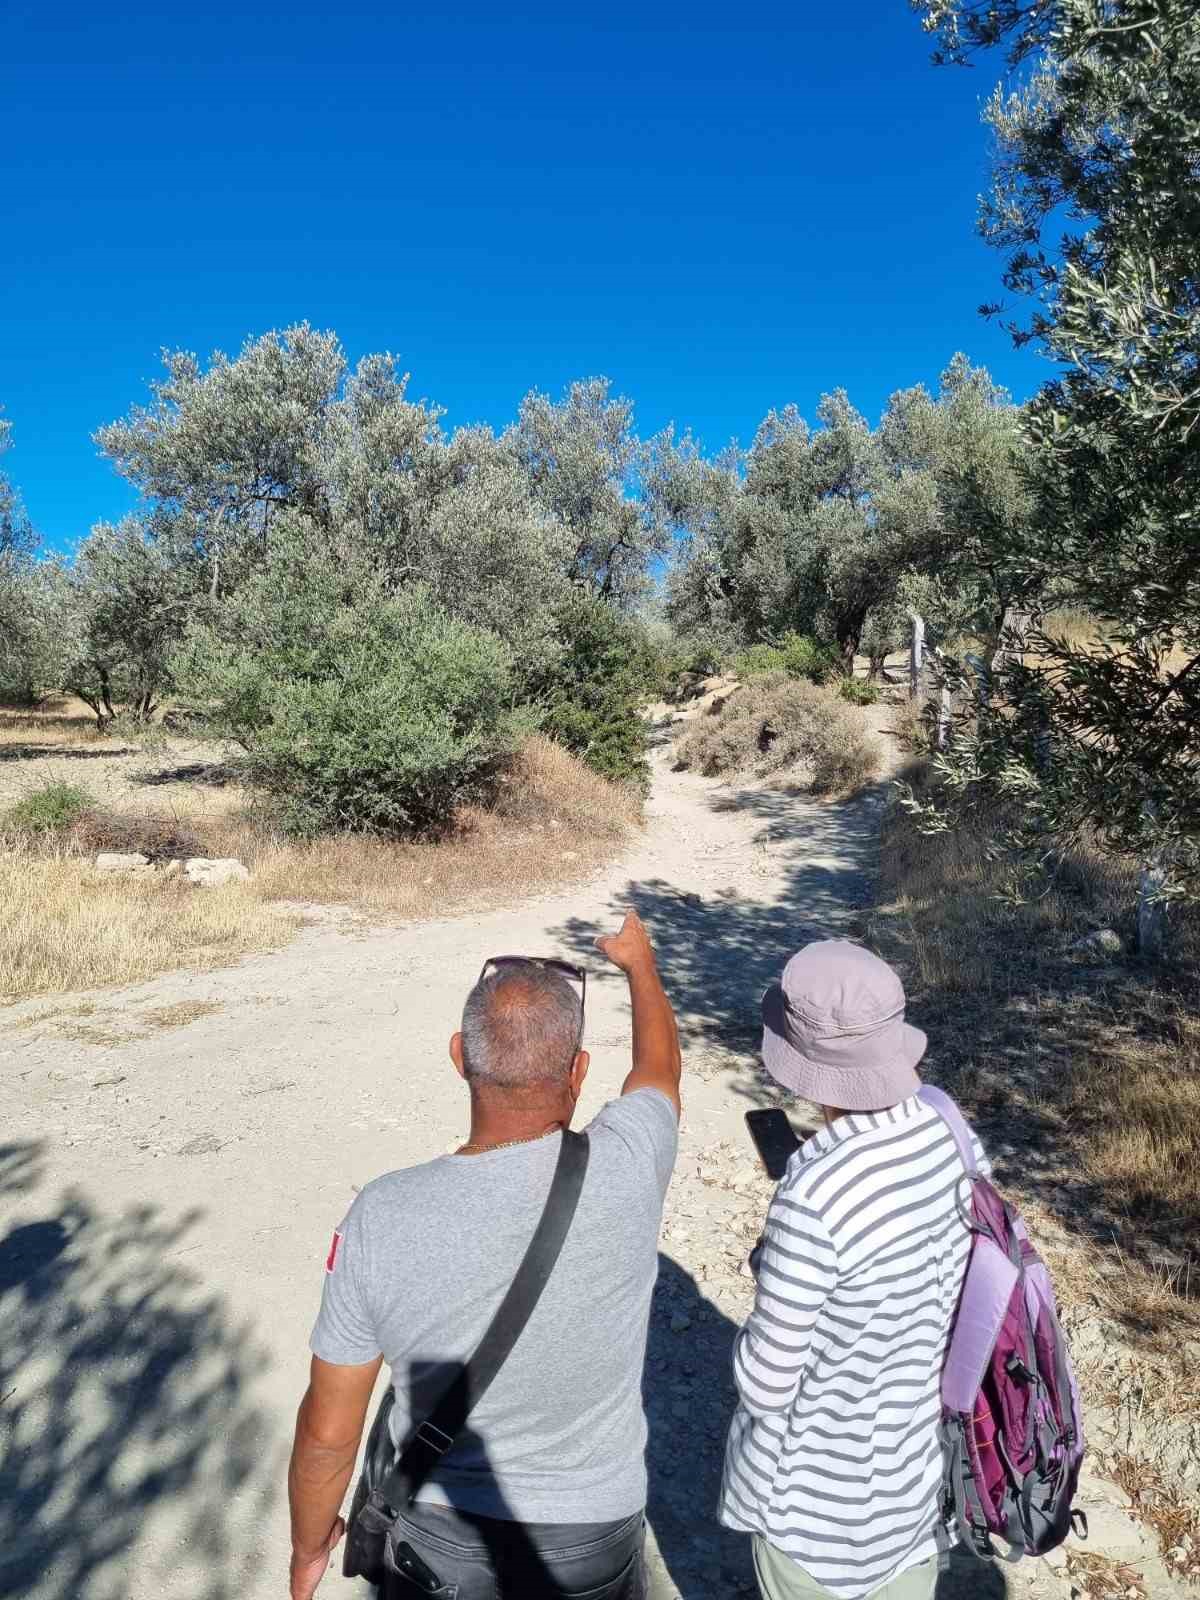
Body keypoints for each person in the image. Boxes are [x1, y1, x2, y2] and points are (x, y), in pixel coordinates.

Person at [287, 909, 681, 1600]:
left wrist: (308, 1547)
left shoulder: (381, 1213)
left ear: (459, 1057)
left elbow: (328, 1430)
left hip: (442, 1550)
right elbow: (659, 1069)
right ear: (580, 1070)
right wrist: (640, 968)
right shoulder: (630, 1161)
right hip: (595, 1538)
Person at [720, 939, 989, 1600]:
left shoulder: (813, 1192)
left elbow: (767, 1383)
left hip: (815, 1519)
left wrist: (773, 1278)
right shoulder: (953, 1132)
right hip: (918, 1494)